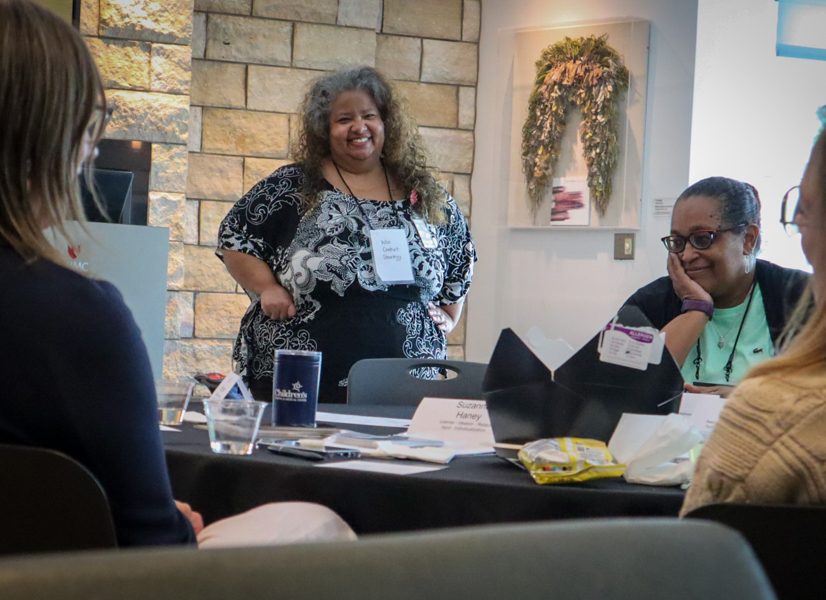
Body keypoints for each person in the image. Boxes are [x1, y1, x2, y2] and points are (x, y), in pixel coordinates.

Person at [0, 0, 354, 549]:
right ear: (49, 134)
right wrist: (170, 521)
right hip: (87, 585)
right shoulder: (79, 317)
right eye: (93, 121)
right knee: (317, 523)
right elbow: (153, 544)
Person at [681, 84, 826, 555]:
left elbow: (697, 570)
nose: (686, 255)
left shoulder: (777, 416)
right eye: (676, 242)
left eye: (804, 212)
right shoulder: (659, 298)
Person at [218, 66, 476, 404]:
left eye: (369, 115)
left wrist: (450, 315)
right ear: (325, 129)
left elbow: (460, 257)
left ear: (387, 124)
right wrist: (266, 288)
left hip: (406, 385)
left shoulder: (424, 193)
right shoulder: (292, 187)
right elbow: (236, 237)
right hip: (300, 382)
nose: (359, 127)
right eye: (343, 119)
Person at [621, 177, 809, 397]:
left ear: (747, 239)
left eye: (703, 239)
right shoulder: (650, 303)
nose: (687, 255)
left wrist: (749, 400)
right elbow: (614, 394)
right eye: (678, 241)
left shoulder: (800, 297)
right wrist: (696, 310)